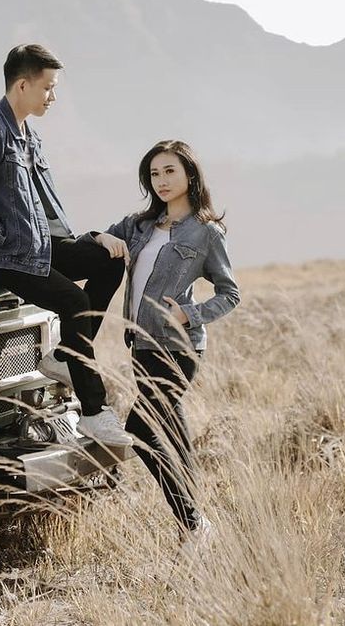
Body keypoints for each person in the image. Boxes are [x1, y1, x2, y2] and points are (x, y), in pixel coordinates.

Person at [0, 44, 131, 447]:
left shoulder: (27, 135)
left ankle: (66, 357)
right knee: (74, 303)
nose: (53, 96)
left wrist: (87, 240)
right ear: (22, 84)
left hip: (38, 245)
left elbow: (44, 211)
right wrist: (0, 240)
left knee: (109, 260)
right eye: (48, 87)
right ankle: (94, 411)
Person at [88, 140, 240, 542]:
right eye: (154, 174)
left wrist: (188, 313)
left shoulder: (205, 232)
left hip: (179, 346)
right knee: (172, 430)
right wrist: (103, 239)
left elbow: (230, 293)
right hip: (139, 345)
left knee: (140, 427)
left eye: (170, 171)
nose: (162, 181)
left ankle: (193, 525)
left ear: (189, 174)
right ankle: (196, 523)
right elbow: (101, 235)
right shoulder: (139, 225)